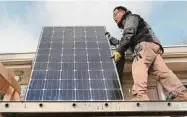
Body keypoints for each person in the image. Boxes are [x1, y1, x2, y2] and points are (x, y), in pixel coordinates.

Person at [105, 6, 187, 100]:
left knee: (138, 67)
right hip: (152, 47)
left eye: (115, 14)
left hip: (144, 45)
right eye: (113, 17)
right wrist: (111, 39)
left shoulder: (131, 18)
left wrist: (119, 51)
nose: (114, 18)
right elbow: (126, 41)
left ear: (123, 12)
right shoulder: (133, 22)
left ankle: (140, 95)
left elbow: (128, 34)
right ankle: (180, 93)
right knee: (161, 72)